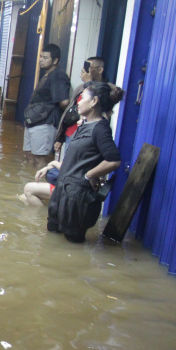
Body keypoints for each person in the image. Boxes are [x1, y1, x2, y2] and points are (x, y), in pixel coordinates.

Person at [47, 82, 124, 243]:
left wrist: (90, 175)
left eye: (82, 98)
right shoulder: (85, 125)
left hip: (77, 199)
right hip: (63, 193)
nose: (79, 102)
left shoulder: (100, 129)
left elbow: (114, 160)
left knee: (72, 246)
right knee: (51, 241)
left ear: (94, 101)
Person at [23, 44, 71, 169]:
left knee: (39, 156)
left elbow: (64, 102)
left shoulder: (58, 75)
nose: (41, 60)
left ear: (55, 60)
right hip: (34, 120)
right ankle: (29, 182)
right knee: (28, 153)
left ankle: (39, 185)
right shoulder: (47, 74)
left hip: (45, 122)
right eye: (40, 56)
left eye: (45, 57)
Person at [54, 56, 107, 160]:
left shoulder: (107, 89)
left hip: (87, 137)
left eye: (90, 67)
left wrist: (89, 82)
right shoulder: (80, 88)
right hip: (71, 134)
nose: (86, 71)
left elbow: (99, 107)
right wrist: (60, 138)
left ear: (100, 70)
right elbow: (69, 112)